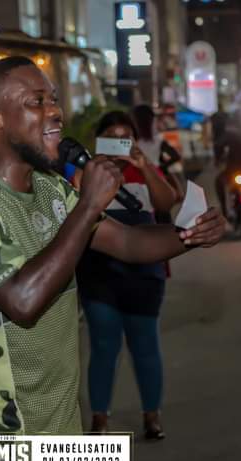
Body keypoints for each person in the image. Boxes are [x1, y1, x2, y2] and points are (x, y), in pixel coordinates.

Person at [0, 56, 226, 435]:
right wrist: (87, 204)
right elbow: (22, 301)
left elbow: (128, 241)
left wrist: (189, 234)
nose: (55, 112)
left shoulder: (50, 188)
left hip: (59, 421)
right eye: (36, 102)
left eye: (53, 100)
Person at [71, 111, 177, 440]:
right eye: (112, 136)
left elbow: (167, 202)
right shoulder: (86, 173)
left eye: (125, 136)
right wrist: (94, 169)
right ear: (99, 140)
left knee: (145, 342)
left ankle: (152, 415)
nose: (120, 142)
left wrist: (145, 168)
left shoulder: (145, 170)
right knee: (104, 344)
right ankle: (100, 419)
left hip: (144, 271)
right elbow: (75, 207)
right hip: (99, 270)